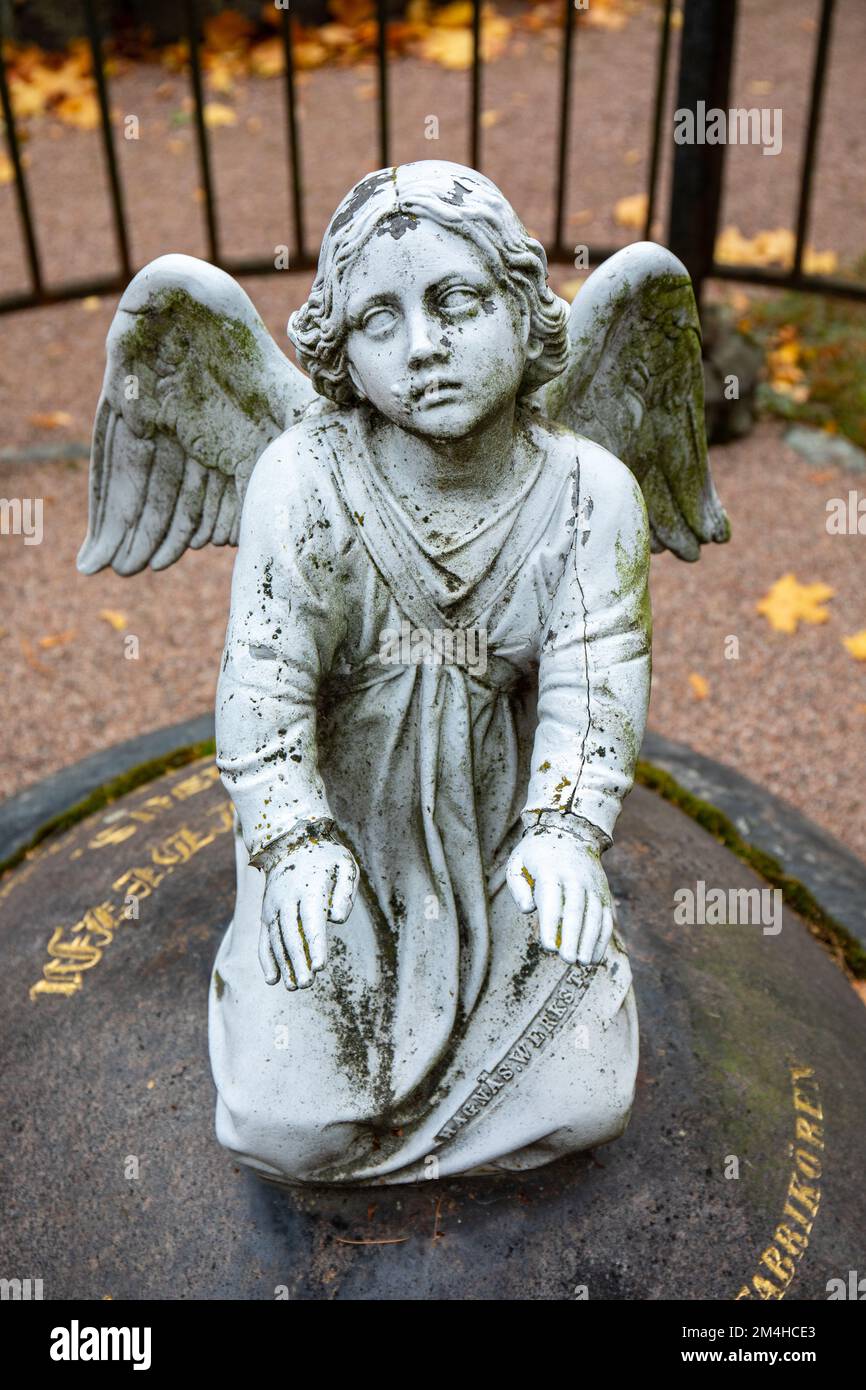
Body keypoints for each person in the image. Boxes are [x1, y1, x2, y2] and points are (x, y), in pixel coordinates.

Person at [209, 161, 651, 1184]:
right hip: (342, 822)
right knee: (289, 1124)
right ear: (341, 353)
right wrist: (291, 839)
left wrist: (565, 830)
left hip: (503, 820)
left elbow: (596, 681)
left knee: (584, 1096)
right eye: (377, 318)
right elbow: (263, 687)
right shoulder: (304, 481)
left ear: (520, 306)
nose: (423, 346)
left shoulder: (591, 492)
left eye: (456, 301)